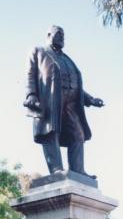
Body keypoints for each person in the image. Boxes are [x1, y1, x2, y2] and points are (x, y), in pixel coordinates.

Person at [23, 25, 104, 179]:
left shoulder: (66, 58)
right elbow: (30, 73)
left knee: (78, 134)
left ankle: (78, 170)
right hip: (49, 101)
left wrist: (90, 99)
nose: (62, 38)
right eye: (58, 34)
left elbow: (76, 84)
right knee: (51, 132)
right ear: (48, 35)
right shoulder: (38, 51)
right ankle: (56, 170)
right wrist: (31, 94)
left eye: (64, 36)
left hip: (72, 104)